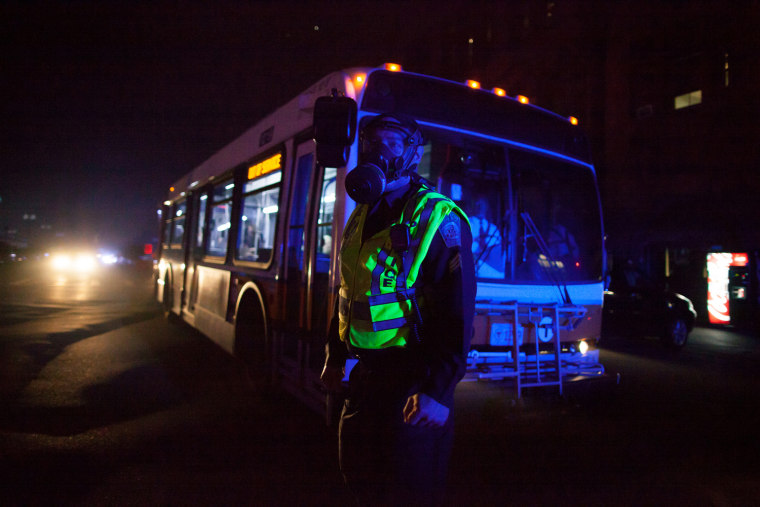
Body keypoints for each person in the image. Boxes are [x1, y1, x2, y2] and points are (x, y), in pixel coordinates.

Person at [320, 113, 476, 507]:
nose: (379, 151)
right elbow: (349, 290)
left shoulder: (438, 216)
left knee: (409, 490)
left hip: (411, 381)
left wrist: (437, 391)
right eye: (372, 143)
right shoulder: (361, 213)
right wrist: (335, 355)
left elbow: (457, 312)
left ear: (411, 153)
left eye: (391, 142)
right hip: (364, 376)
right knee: (359, 478)